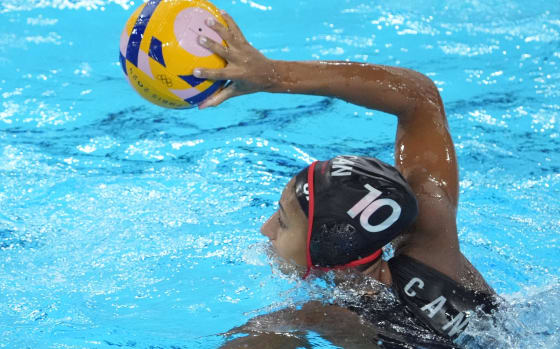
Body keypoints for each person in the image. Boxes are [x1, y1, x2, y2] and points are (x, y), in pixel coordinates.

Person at [193, 11, 498, 349]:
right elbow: (419, 98)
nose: (266, 229)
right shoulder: (433, 239)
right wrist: (273, 75)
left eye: (282, 221)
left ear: (327, 254)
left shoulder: (330, 316)